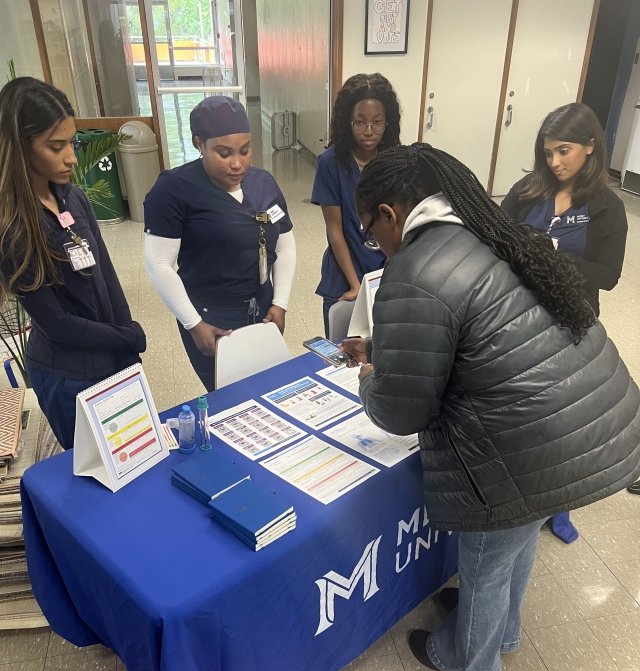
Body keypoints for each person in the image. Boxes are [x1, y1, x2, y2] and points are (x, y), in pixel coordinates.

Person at [341, 142, 640, 671]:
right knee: (518, 537)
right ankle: (502, 630)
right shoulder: (491, 227)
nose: (374, 244)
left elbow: (400, 410)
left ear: (390, 214)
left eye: (369, 231)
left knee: (486, 558)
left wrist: (367, 377)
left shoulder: (413, 268)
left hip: (521, 446)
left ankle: (469, 661)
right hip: (579, 423)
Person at [501, 102, 628, 544]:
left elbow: (608, 276)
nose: (554, 162)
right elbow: (497, 239)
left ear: (591, 147)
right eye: (548, 151)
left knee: (562, 422)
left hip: (571, 323)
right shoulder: (526, 191)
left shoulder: (608, 209)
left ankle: (559, 503)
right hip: (517, 318)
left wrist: (553, 253)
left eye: (565, 151)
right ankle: (520, 495)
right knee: (524, 413)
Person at [0, 77, 146, 450]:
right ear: (20, 148)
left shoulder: (71, 195)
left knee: (135, 457)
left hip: (112, 354)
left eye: (72, 143)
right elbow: (57, 324)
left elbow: (106, 275)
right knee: (94, 476)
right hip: (69, 374)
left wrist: (126, 341)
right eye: (55, 146)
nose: (71, 157)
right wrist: (123, 338)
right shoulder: (14, 227)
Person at [144, 96, 296, 390]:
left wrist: (281, 303)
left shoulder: (263, 183)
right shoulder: (174, 190)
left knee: (269, 387)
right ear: (198, 143)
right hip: (211, 317)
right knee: (229, 397)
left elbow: (284, 246)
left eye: (245, 150)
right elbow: (159, 264)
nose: (237, 164)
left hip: (264, 309)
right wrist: (193, 324)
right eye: (223, 153)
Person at [311, 73, 401, 336]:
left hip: (386, 271)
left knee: (382, 351)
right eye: (359, 123)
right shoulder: (330, 163)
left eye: (378, 122)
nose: (369, 131)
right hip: (344, 273)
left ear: (388, 122)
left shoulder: (394, 159)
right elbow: (335, 231)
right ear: (346, 123)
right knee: (343, 353)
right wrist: (355, 285)